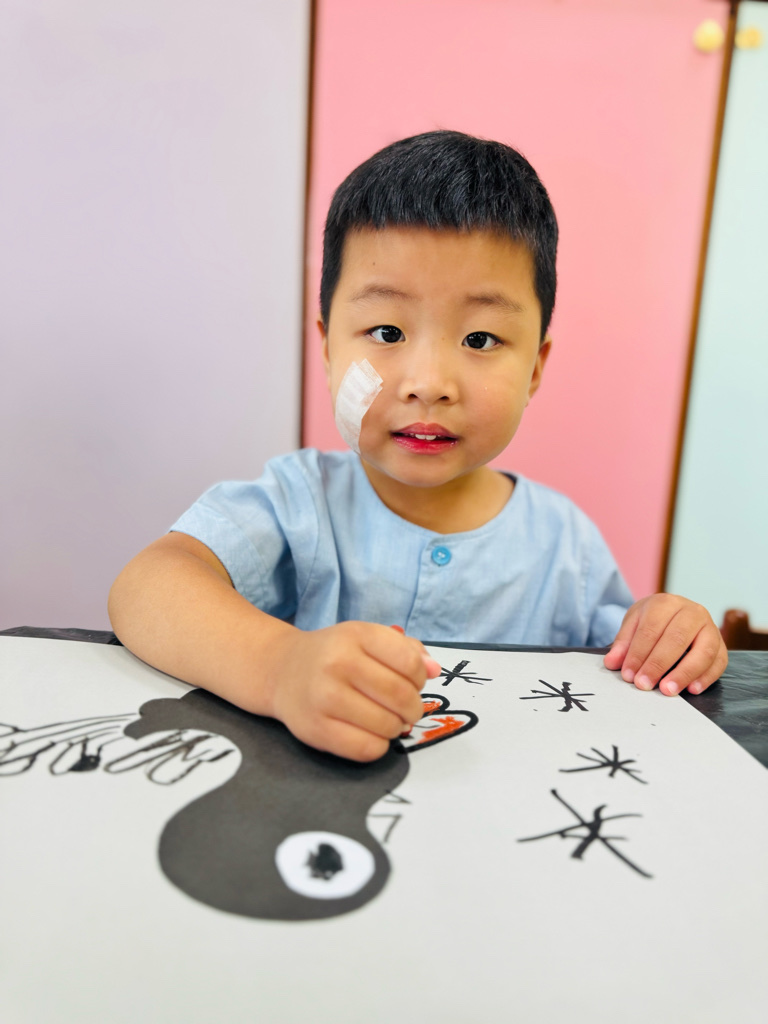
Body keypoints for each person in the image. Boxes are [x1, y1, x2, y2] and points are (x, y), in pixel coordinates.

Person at [109, 130, 727, 762]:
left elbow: (635, 660)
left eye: (480, 339)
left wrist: (670, 634)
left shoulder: (566, 545)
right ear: (328, 349)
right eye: (386, 331)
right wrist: (280, 668)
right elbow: (147, 586)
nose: (429, 384)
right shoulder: (299, 503)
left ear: (536, 367)